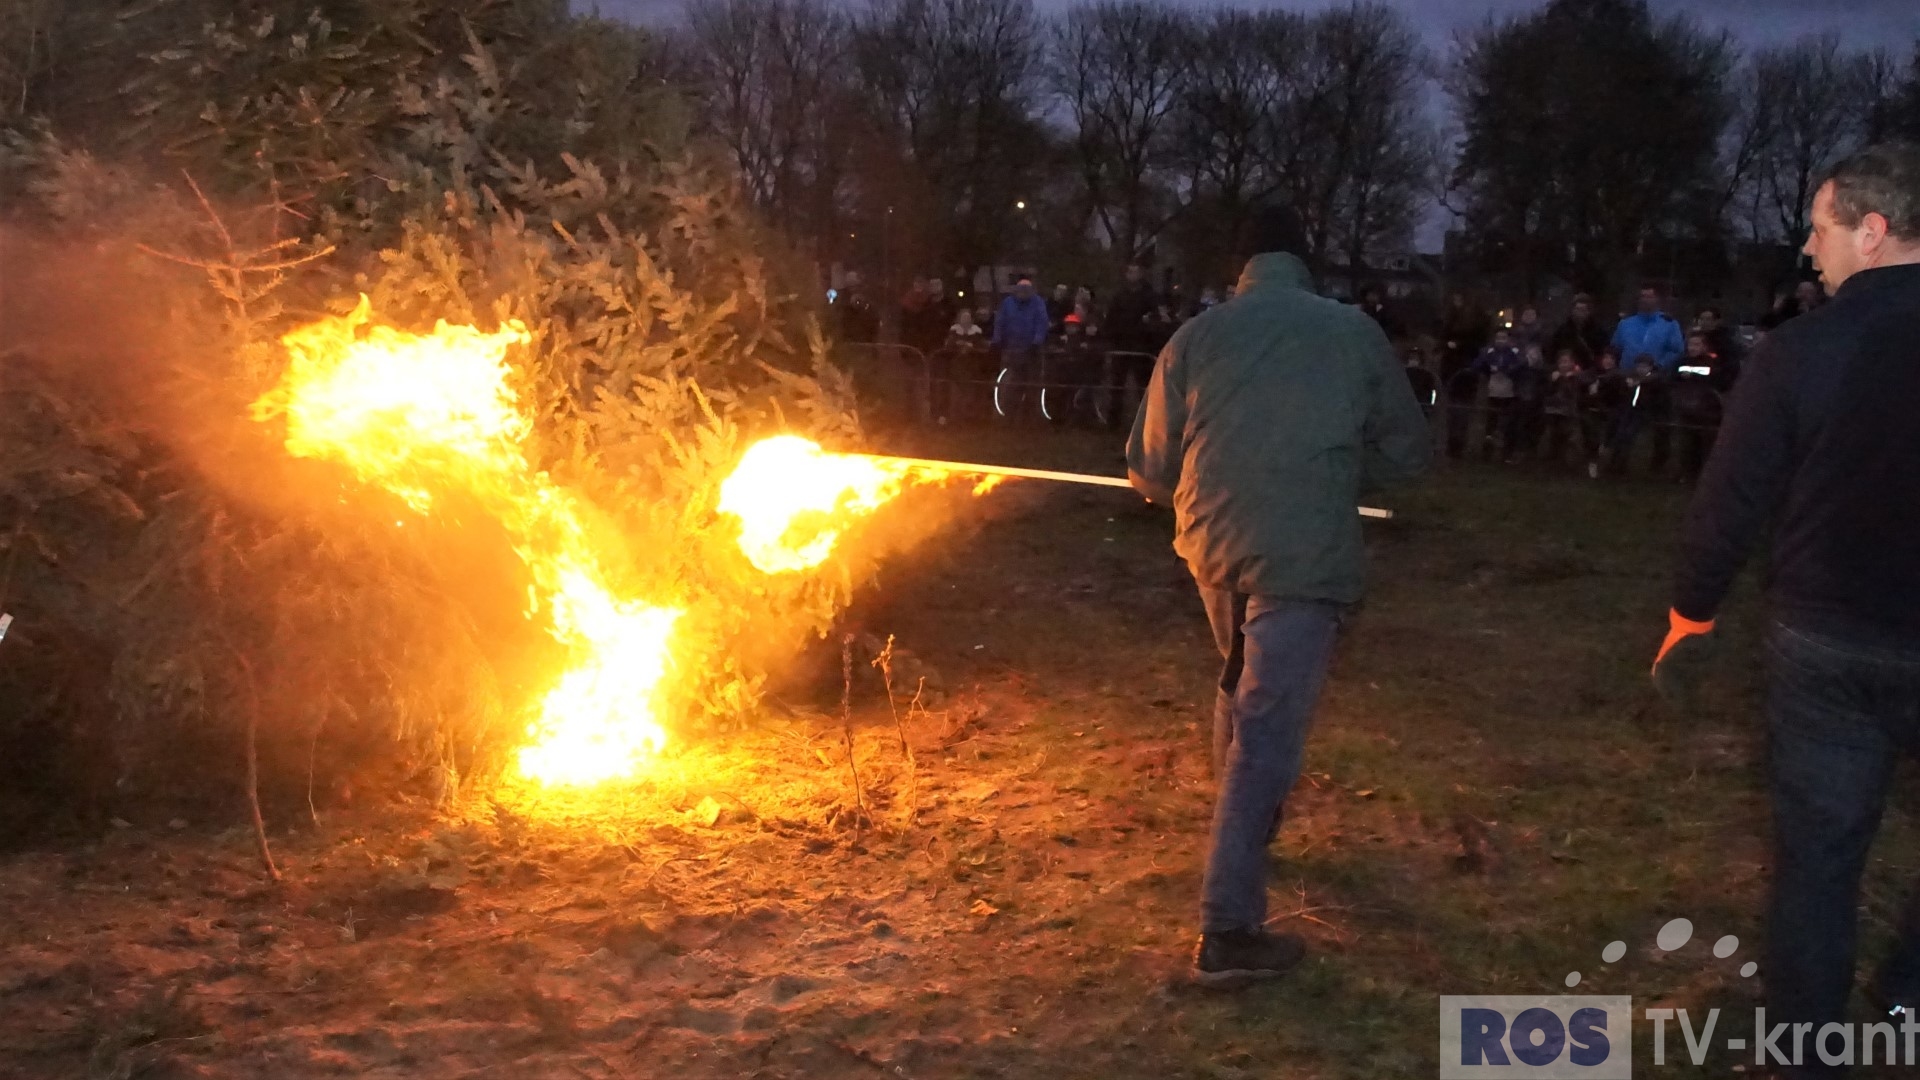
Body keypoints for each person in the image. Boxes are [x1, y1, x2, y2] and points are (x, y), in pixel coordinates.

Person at [1653, 141, 1920, 1079]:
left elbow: (1733, 498)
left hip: (1825, 643)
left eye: (1821, 228)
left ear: (1874, 231)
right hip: (1849, 634)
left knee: (1819, 856)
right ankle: (1908, 995)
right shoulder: (1800, 345)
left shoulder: (1802, 352)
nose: (1811, 251)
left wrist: (1692, 609)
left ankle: (1808, 1049)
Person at [1126, 204, 1430, 988]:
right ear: (1306, 259)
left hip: (1212, 546)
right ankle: (1228, 930)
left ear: (1241, 268)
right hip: (1304, 557)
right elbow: (1405, 453)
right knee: (1266, 730)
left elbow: (1147, 469)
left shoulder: (1195, 336)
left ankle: (1247, 831)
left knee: (1238, 685)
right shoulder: (1353, 331)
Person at [992, 275, 1051, 419]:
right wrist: (997, 340)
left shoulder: (1038, 303)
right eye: (1021, 289)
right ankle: (1009, 414)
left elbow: (1041, 323)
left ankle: (1029, 416)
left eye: (1027, 289)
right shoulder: (1008, 303)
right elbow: (1000, 322)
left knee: (1032, 384)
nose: (1023, 292)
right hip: (1012, 350)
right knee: (1011, 383)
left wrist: (1036, 342)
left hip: (1032, 351)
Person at [1671, 332, 1724, 481]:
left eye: (1697, 344)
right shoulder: (1681, 361)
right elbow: (1671, 377)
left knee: (1705, 442)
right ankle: (1687, 473)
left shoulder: (1711, 362)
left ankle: (1705, 474)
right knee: (1686, 443)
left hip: (1706, 409)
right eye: (1690, 344)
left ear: (1704, 346)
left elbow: (1714, 377)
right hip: (1685, 407)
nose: (1692, 348)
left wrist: (1693, 374)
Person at [1470, 327, 1524, 462]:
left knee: (1509, 425)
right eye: (1498, 338)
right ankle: (1487, 453)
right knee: (1490, 424)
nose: (1500, 341)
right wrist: (1487, 365)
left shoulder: (1514, 352)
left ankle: (1507, 454)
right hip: (1492, 392)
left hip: (1510, 393)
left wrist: (1503, 368)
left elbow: (1519, 366)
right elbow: (1476, 365)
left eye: (1504, 338)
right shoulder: (1488, 351)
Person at [1610, 284, 1684, 375]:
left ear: (1657, 299)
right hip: (1627, 375)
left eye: (1649, 297)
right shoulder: (1625, 324)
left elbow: (1676, 351)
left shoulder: (1669, 324)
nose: (1645, 300)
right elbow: (1615, 349)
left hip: (1656, 377)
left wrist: (1659, 366)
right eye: (1642, 297)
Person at [1581, 348, 1630, 479]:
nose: (1608, 361)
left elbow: (1618, 391)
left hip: (1612, 412)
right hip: (1594, 409)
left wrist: (1600, 384)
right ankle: (1593, 462)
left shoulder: (1618, 375)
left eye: (1611, 359)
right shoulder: (1592, 372)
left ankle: (1609, 462)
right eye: (1606, 358)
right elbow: (1583, 380)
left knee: (1611, 437)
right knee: (1592, 436)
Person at [1539, 349, 1586, 467]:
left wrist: (1568, 379)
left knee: (1570, 438)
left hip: (1569, 412)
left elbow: (1575, 393)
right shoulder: (1553, 375)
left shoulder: (1578, 377)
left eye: (1566, 362)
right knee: (1552, 435)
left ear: (1572, 363)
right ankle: (1552, 457)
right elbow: (1547, 392)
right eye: (1561, 362)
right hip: (1553, 411)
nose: (1563, 365)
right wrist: (1553, 381)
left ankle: (1570, 461)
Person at [1549, 292, 1612, 370]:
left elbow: (1604, 354)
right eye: (1577, 309)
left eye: (1583, 310)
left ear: (1588, 311)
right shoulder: (1562, 331)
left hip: (1591, 372)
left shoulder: (1598, 331)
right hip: (1567, 373)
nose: (1579, 313)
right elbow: (1553, 353)